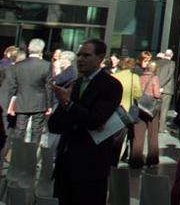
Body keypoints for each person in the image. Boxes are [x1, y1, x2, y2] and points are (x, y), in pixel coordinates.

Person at [47, 39, 124, 205]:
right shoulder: (76, 84)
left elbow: (95, 120)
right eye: (79, 55)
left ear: (100, 58)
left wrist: (69, 104)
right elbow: (54, 125)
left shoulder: (110, 85)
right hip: (66, 164)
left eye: (87, 55)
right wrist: (63, 105)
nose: (81, 59)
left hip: (90, 167)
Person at [11, 37, 52, 143]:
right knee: (36, 131)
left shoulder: (18, 65)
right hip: (39, 102)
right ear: (41, 50)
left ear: (29, 49)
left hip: (22, 100)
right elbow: (48, 86)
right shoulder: (46, 65)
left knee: (19, 129)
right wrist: (49, 105)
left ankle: (16, 150)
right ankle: (32, 152)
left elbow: (14, 85)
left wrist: (11, 104)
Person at [130, 56, 161, 168]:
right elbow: (157, 94)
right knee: (153, 135)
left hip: (139, 107)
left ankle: (136, 160)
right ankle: (152, 160)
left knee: (138, 135)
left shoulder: (139, 77)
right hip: (151, 108)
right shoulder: (154, 78)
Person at [153, 50, 176, 128]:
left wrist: (158, 86)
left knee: (156, 108)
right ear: (171, 55)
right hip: (167, 89)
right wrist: (161, 85)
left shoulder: (157, 62)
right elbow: (169, 75)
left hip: (156, 87)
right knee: (164, 109)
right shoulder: (172, 63)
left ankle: (154, 125)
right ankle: (161, 127)